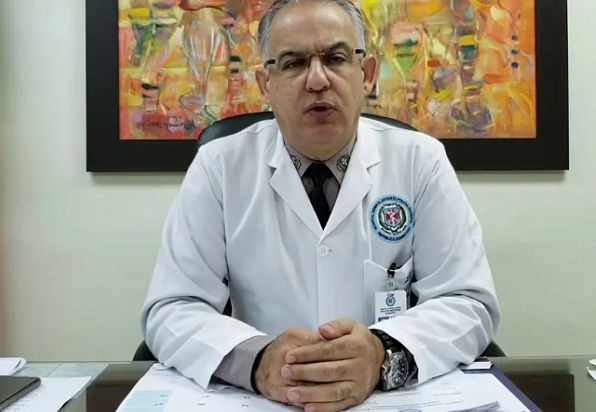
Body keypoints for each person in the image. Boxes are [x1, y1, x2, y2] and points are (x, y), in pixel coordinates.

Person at [140, 0, 500, 411]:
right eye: (293, 63)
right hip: (265, 401)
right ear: (265, 84)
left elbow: (468, 302)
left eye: (335, 58)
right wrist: (257, 361)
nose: (317, 80)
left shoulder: (420, 160)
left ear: (366, 74)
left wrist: (383, 355)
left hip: (383, 401)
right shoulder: (219, 166)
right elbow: (172, 308)